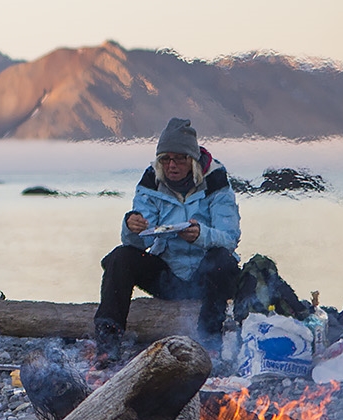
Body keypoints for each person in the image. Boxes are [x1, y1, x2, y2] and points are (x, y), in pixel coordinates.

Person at [95, 118, 241, 352]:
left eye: (179, 158)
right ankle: (107, 342)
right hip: (168, 275)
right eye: (165, 159)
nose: (171, 165)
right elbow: (138, 243)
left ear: (192, 160)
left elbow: (230, 238)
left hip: (207, 277)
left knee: (222, 260)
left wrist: (201, 235)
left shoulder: (216, 181)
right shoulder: (150, 181)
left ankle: (208, 342)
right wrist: (131, 226)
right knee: (120, 257)